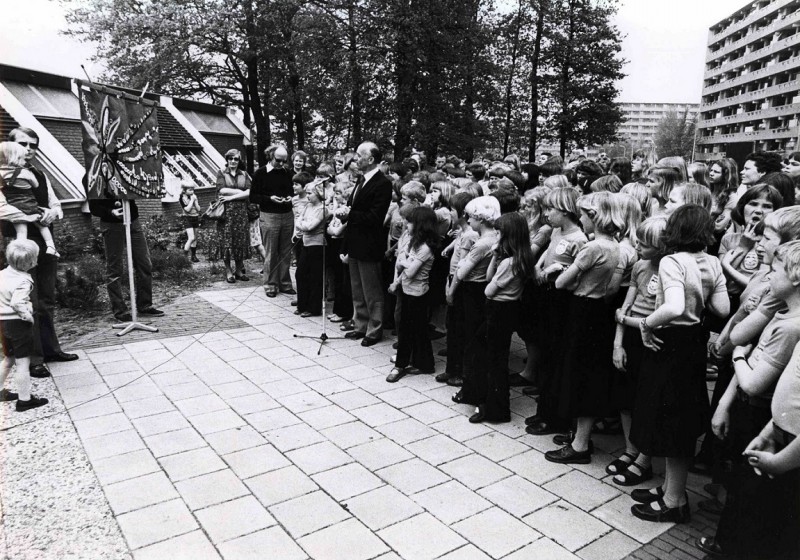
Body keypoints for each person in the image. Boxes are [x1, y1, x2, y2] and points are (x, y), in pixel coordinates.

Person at [629, 205, 729, 523]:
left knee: (670, 421)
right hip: (693, 345)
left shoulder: (673, 261)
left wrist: (647, 323)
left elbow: (672, 307)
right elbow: (722, 308)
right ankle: (673, 489)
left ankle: (674, 501)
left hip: (668, 343)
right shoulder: (712, 261)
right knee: (682, 419)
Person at [700, 241, 800, 559]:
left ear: (795, 277)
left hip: (773, 427)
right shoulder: (781, 312)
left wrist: (739, 358)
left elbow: (754, 378)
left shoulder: (790, 328)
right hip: (770, 424)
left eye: (775, 270)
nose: (767, 277)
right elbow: (740, 333)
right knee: (744, 493)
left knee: (758, 508)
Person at [544, 192, 624, 464]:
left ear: (596, 217)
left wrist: (557, 269)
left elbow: (560, 283)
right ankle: (579, 436)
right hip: (598, 310)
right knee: (587, 375)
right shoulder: (616, 245)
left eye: (585, 214)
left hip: (582, 311)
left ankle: (580, 445)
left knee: (578, 375)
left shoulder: (592, 248)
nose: (581, 219)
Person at [1, 128, 77, 377]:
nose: (29, 148)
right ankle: (34, 359)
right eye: (23, 143)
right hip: (20, 242)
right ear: (11, 144)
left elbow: (56, 204)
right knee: (27, 301)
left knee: (46, 299)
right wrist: (30, 215)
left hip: (44, 242)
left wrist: (51, 212)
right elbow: (2, 209)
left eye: (34, 144)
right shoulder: (3, 175)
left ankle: (51, 349)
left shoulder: (40, 174)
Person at [609, 216, 667, 485]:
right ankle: (630, 450)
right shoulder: (640, 266)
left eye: (646, 243)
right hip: (632, 335)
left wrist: (624, 320)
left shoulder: (670, 271)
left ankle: (644, 458)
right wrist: (618, 343)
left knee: (647, 401)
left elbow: (657, 315)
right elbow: (625, 308)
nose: (638, 246)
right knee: (625, 397)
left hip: (652, 338)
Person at [525, 187, 587, 435]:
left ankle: (553, 417)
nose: (546, 214)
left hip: (562, 299)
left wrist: (556, 272)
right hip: (546, 294)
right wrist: (539, 267)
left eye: (551, 209)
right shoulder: (556, 231)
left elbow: (576, 273)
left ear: (566, 211)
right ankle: (544, 410)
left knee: (555, 356)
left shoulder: (579, 239)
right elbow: (545, 255)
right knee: (546, 352)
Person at [469, 213, 535, 424]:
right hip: (506, 310)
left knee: (492, 360)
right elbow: (490, 277)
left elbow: (488, 289)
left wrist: (499, 260)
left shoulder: (511, 263)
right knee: (493, 357)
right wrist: (495, 256)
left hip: (499, 311)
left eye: (498, 232)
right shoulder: (518, 258)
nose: (495, 235)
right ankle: (488, 403)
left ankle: (492, 408)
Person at [336, 141, 393, 347]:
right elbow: (354, 209)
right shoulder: (361, 180)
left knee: (372, 290)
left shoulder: (383, 183)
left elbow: (375, 217)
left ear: (370, 159)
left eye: (359, 155)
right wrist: (344, 213)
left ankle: (375, 329)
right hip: (354, 242)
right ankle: (360, 325)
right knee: (357, 288)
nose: (355, 159)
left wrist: (351, 213)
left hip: (369, 245)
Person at [451, 196, 500, 406]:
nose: (468, 221)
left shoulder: (481, 243)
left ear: (480, 218)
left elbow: (462, 271)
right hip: (481, 291)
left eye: (471, 217)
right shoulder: (495, 237)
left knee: (471, 341)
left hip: (472, 290)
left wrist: (451, 289)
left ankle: (470, 389)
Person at [386, 206, 438, 382]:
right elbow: (405, 268)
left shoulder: (425, 248)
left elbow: (410, 270)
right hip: (408, 290)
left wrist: (402, 261)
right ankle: (421, 363)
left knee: (412, 330)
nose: (406, 224)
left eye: (410, 222)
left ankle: (402, 365)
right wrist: (397, 281)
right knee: (413, 329)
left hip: (417, 294)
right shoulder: (415, 243)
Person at [0, 239, 49, 411]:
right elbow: (17, 303)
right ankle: (25, 400)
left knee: (8, 359)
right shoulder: (23, 281)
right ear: (30, 263)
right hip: (18, 324)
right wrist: (27, 316)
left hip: (3, 323)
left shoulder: (3, 274)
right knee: (22, 363)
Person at [438, 192, 476, 386]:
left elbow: (462, 267)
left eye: (452, 210)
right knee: (452, 329)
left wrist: (451, 290)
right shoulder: (462, 231)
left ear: (462, 212)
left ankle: (458, 371)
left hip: (459, 283)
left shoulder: (471, 235)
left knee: (459, 330)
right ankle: (451, 368)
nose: (449, 213)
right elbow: (458, 239)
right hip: (452, 278)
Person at [250, 146, 295, 297]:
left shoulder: (287, 172)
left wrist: (290, 197)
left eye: (284, 161)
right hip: (269, 215)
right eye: (278, 160)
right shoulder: (260, 173)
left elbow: (293, 190)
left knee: (286, 251)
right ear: (270, 156)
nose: (282, 164)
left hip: (287, 215)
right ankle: (270, 285)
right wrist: (269, 198)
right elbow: (253, 196)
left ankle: (285, 283)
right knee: (271, 251)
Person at [0, 142, 59, 256]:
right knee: (42, 226)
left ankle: (20, 254)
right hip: (29, 205)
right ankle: (51, 247)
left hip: (14, 207)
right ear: (15, 159)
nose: (24, 161)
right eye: (22, 159)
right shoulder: (25, 173)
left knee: (21, 233)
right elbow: (36, 184)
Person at [210, 149, 252, 283]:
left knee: (240, 240)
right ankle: (228, 271)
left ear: (239, 161)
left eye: (236, 159)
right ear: (227, 159)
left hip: (241, 212)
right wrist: (240, 192)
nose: (233, 161)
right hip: (226, 213)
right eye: (231, 159)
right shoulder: (221, 173)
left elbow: (250, 192)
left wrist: (232, 196)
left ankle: (239, 270)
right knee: (227, 241)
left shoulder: (244, 174)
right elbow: (222, 190)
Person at [294, 180, 327, 317]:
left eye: (309, 193)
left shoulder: (322, 209)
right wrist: (302, 223)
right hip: (306, 243)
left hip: (317, 245)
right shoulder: (308, 206)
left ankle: (313, 308)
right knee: (300, 274)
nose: (307, 196)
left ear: (318, 193)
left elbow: (309, 226)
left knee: (314, 277)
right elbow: (298, 221)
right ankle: (302, 305)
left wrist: (302, 224)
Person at [179, 179, 201, 262]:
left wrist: (195, 201)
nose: (192, 192)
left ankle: (193, 256)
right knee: (191, 238)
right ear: (184, 191)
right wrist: (192, 200)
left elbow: (198, 209)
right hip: (187, 218)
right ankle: (184, 257)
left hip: (195, 217)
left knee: (195, 238)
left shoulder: (194, 197)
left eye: (193, 190)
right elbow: (187, 209)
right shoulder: (181, 198)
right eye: (190, 190)